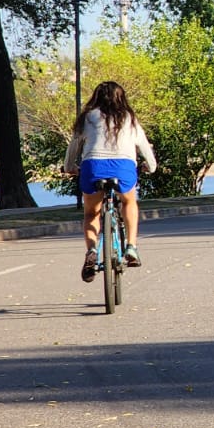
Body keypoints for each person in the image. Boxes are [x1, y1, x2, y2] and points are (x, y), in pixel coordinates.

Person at [63, 80, 157, 282]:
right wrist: (150, 166)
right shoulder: (129, 118)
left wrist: (70, 167)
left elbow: (73, 147)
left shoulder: (87, 117)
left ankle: (92, 250)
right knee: (129, 202)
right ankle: (131, 247)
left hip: (93, 167)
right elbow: (144, 147)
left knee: (91, 213)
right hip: (123, 167)